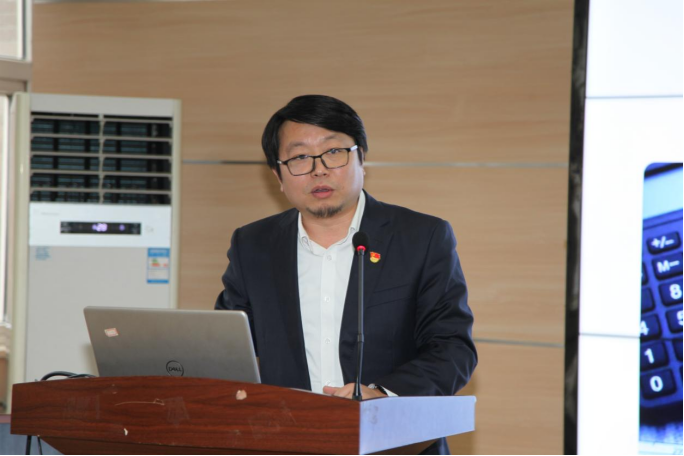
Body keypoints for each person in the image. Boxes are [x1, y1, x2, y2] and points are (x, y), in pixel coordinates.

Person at [216, 95, 477, 455]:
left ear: (361, 158)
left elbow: (452, 348)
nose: (318, 170)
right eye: (299, 157)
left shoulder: (421, 237)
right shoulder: (253, 245)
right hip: (286, 441)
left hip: (394, 443)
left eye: (334, 152)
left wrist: (383, 395)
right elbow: (228, 348)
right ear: (278, 176)